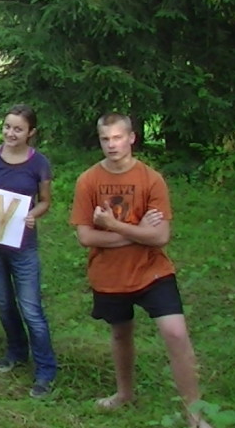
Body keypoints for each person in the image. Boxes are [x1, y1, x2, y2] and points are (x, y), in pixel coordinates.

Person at [70, 113, 213, 428]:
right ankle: (124, 394)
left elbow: (160, 237)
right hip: (109, 275)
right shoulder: (88, 180)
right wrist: (137, 232)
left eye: (118, 137)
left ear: (132, 138)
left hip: (153, 271)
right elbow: (86, 237)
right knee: (121, 333)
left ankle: (195, 416)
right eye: (105, 139)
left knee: (176, 334)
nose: (112, 145)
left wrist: (113, 225)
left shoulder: (151, 179)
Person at [0, 104, 57, 398]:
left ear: (31, 132)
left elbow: (45, 200)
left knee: (31, 308)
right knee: (4, 304)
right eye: (7, 127)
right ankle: (16, 350)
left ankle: (46, 369)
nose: (11, 133)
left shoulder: (39, 163)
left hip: (23, 245)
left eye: (18, 129)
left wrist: (34, 213)